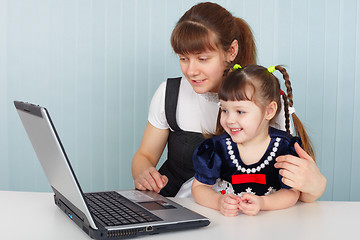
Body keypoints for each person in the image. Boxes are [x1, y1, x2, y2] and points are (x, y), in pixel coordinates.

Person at [131, 2, 326, 201]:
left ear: (231, 51)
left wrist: (316, 185)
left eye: (203, 59)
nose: (191, 71)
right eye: (183, 58)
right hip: (177, 208)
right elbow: (144, 155)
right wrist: (143, 172)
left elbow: (297, 188)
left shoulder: (261, 99)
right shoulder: (169, 93)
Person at [191, 64, 310, 216]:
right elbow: (198, 188)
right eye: (225, 110)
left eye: (240, 111)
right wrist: (218, 202)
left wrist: (263, 203)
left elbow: (292, 193)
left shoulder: (284, 148)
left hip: (273, 224)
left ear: (269, 111)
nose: (230, 120)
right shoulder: (217, 148)